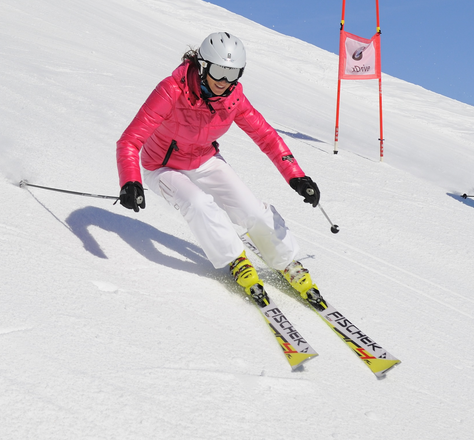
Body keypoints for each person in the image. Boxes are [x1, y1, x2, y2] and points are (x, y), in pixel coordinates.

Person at [116, 32, 326, 309]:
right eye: (218, 71)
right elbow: (129, 141)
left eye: (232, 74)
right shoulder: (171, 90)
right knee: (199, 204)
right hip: (162, 166)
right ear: (202, 65)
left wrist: (296, 176)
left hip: (205, 160)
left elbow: (266, 137)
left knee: (251, 210)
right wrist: (130, 181)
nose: (224, 81)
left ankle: (286, 262)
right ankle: (236, 259)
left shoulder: (233, 97)